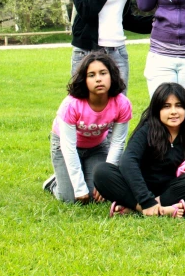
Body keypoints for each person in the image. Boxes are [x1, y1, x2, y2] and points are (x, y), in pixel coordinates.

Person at [93, 83, 185, 217]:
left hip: (172, 189)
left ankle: (138, 208)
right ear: (157, 109)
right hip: (141, 186)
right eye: (166, 106)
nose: (173, 112)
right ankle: (148, 208)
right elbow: (128, 161)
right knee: (102, 171)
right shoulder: (147, 130)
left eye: (178, 105)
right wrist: (146, 200)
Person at [42, 51, 132, 204]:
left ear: (112, 75)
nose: (98, 79)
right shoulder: (71, 105)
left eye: (103, 73)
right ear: (84, 80)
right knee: (71, 199)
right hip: (65, 147)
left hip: (96, 147)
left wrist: (107, 180)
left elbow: (117, 143)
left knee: (97, 197)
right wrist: (79, 188)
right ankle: (53, 183)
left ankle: (82, 174)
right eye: (91, 75)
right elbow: (68, 147)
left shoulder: (122, 103)